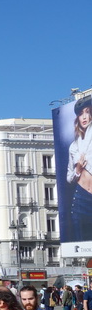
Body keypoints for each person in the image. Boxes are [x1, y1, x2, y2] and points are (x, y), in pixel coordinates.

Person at [66, 95, 92, 240]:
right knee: (82, 244)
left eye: (87, 112)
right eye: (81, 113)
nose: (84, 117)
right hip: (81, 198)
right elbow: (69, 178)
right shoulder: (73, 147)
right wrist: (78, 170)